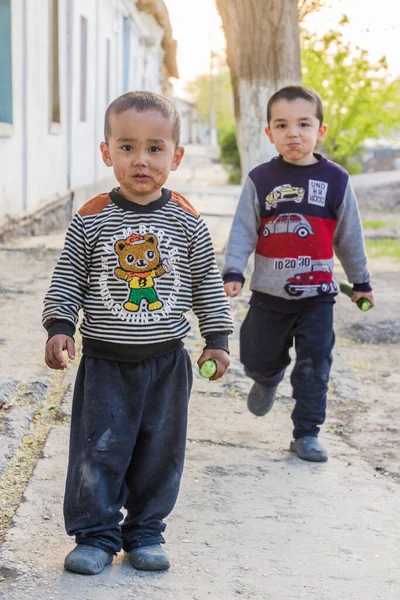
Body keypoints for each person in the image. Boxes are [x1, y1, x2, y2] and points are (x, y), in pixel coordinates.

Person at [43, 91, 233, 575]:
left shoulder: (187, 219)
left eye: (154, 148)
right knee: (98, 451)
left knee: (159, 456)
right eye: (127, 147)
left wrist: (216, 338)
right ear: (107, 152)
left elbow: (207, 282)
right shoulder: (91, 216)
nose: (141, 160)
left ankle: (146, 532)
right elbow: (68, 277)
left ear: (176, 155)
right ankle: (96, 535)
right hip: (106, 362)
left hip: (167, 364)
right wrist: (60, 325)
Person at [222, 85, 374, 463]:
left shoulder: (336, 180)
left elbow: (349, 238)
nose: (293, 133)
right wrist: (234, 270)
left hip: (318, 297)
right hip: (269, 295)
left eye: (303, 124)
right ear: (269, 133)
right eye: (282, 124)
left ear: (320, 130)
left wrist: (361, 283)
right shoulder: (261, 179)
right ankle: (267, 377)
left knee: (315, 364)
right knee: (256, 353)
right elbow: (244, 229)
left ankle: (306, 432)